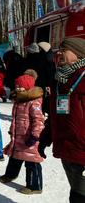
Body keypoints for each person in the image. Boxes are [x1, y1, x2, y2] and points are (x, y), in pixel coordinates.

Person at [39, 37, 85, 203]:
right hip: (68, 149)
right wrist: (46, 137)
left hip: (82, 150)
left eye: (64, 49)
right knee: (76, 192)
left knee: (80, 196)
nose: (59, 53)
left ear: (78, 53)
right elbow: (57, 113)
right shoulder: (61, 79)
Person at [0, 70, 44, 195]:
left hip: (30, 138)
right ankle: (10, 175)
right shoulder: (19, 100)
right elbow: (16, 118)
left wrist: (35, 136)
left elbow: (39, 120)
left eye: (21, 86)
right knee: (14, 156)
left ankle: (35, 186)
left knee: (31, 161)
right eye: (17, 86)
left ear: (28, 87)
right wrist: (12, 129)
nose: (18, 89)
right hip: (19, 136)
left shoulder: (33, 102)